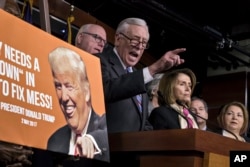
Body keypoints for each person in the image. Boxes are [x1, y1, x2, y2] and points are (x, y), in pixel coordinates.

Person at [96, 17, 186, 133]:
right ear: (118, 39)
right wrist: (153, 69)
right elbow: (107, 90)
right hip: (108, 146)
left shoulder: (138, 76)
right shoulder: (99, 60)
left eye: (144, 43)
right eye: (135, 40)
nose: (139, 46)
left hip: (133, 148)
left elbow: (142, 122)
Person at [46, 47, 109, 162]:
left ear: (86, 92)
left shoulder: (105, 125)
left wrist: (91, 139)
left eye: (69, 86)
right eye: (58, 86)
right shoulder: (54, 140)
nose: (64, 97)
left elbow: (106, 136)